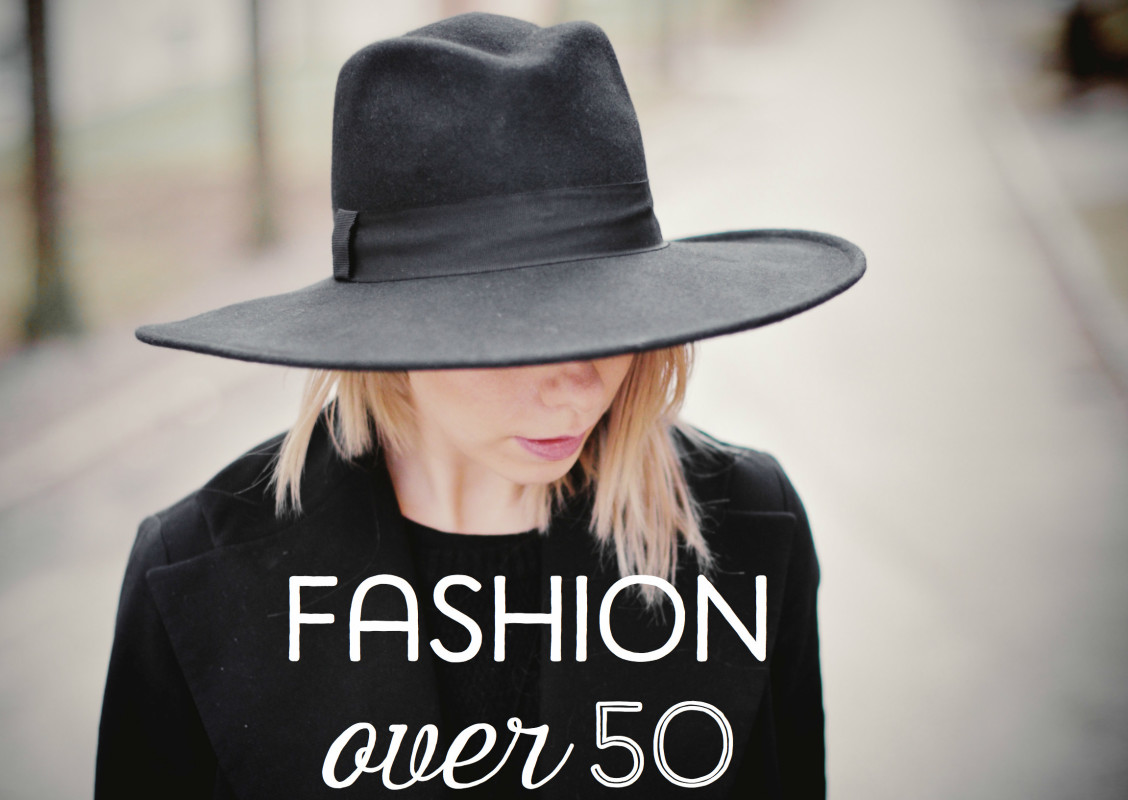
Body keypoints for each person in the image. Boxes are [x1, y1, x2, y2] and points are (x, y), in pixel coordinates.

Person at [95, 12, 864, 800]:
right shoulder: (202, 577)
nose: (577, 383)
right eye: (515, 334)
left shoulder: (745, 531)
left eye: (609, 320)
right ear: (392, 329)